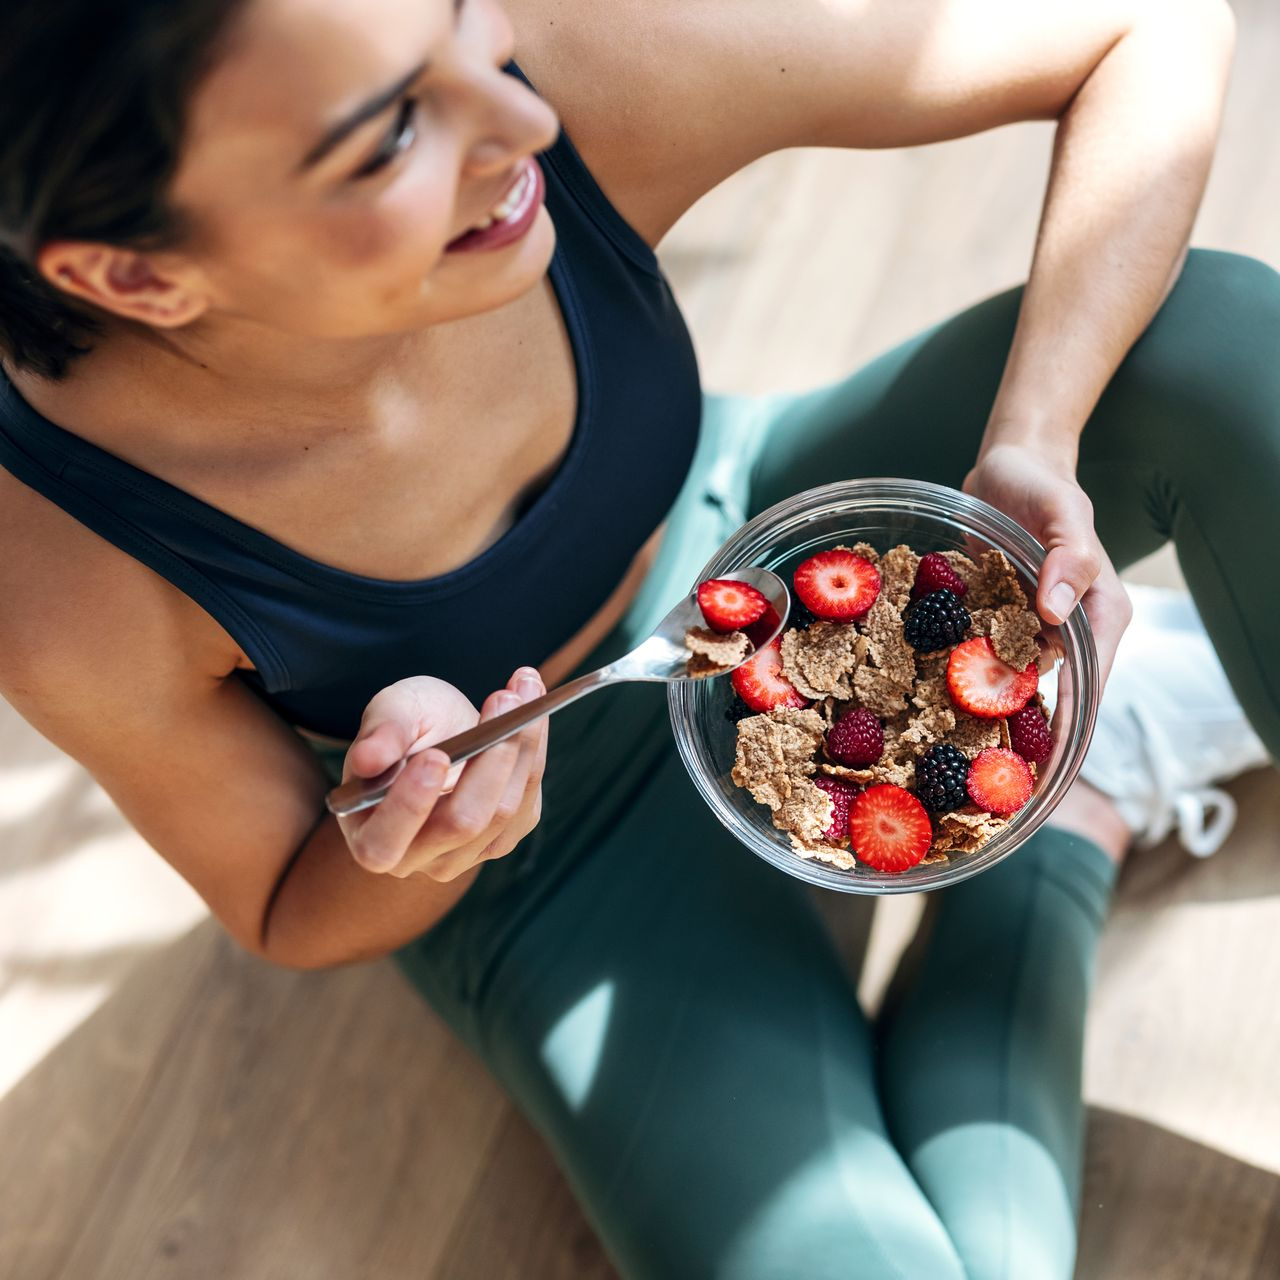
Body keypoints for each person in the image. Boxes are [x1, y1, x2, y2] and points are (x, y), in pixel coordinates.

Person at [0, 0, 1275, 1276]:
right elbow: (285, 894)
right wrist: (419, 836)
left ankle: (1052, 806)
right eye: (390, 136)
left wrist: (1033, 435)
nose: (524, 120)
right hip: (550, 869)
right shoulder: (60, 559)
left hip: (745, 551)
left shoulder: (564, 66)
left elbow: (1146, 29)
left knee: (1219, 346)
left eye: (459, 22)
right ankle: (1070, 819)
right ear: (136, 273)